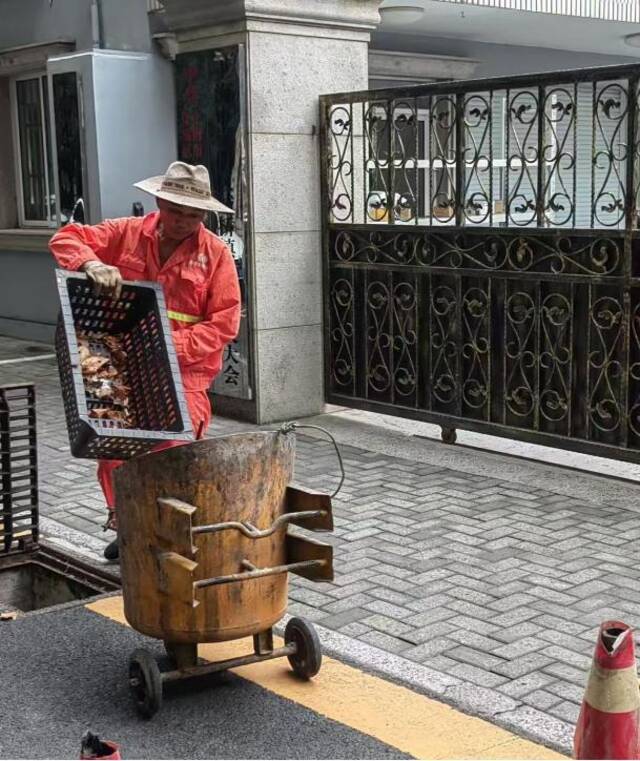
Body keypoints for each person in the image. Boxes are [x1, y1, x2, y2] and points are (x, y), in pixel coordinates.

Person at [49, 161, 242, 561]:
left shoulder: (215, 254)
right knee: (114, 447)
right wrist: (92, 263)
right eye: (176, 211)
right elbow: (66, 238)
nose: (184, 222)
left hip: (184, 373)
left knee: (172, 450)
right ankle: (127, 523)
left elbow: (224, 323)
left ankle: (169, 531)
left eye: (194, 215)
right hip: (121, 366)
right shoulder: (127, 234)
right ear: (160, 201)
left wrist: (169, 347)